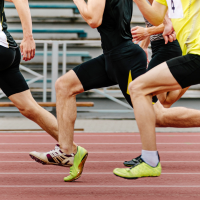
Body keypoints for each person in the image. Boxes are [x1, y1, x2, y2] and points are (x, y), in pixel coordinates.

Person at [113, 0, 200, 179]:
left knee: (139, 89)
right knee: (154, 101)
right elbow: (156, 17)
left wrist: (150, 30)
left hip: (193, 54)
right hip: (190, 53)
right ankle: (149, 159)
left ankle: (150, 160)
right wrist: (162, 27)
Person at [0, 0, 77, 162]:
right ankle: (71, 150)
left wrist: (28, 37)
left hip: (2, 49)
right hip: (7, 49)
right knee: (28, 108)